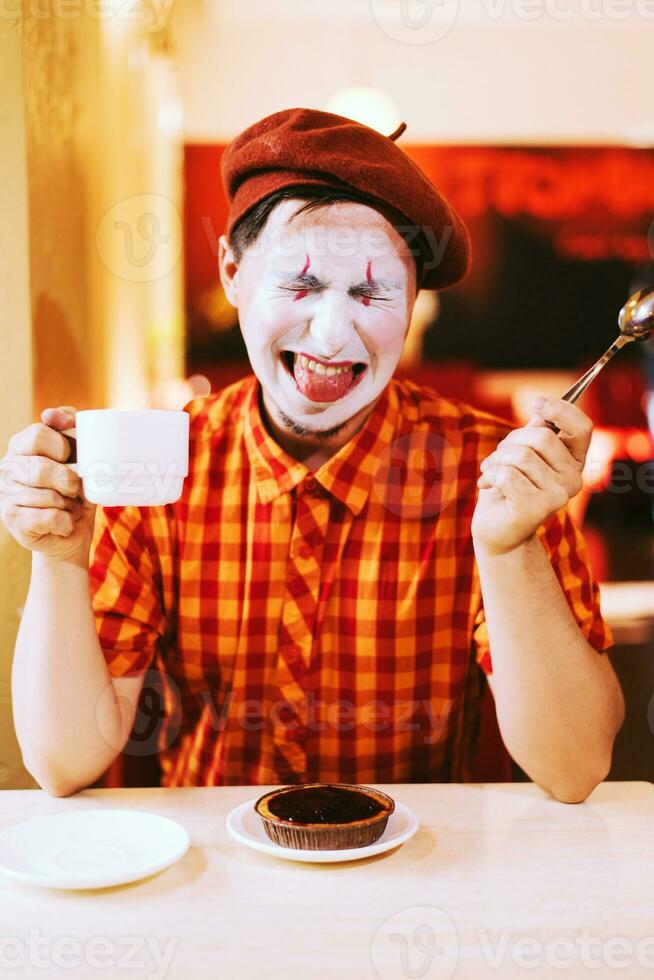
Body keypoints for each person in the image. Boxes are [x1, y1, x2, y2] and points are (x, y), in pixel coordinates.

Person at [3, 108, 624, 801]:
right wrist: (57, 557)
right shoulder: (164, 466)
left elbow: (576, 769)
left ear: (415, 301)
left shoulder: (495, 472)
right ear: (233, 274)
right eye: (299, 285)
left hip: (422, 884)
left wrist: (510, 550)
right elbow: (62, 762)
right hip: (214, 882)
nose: (331, 337)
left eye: (371, 292)